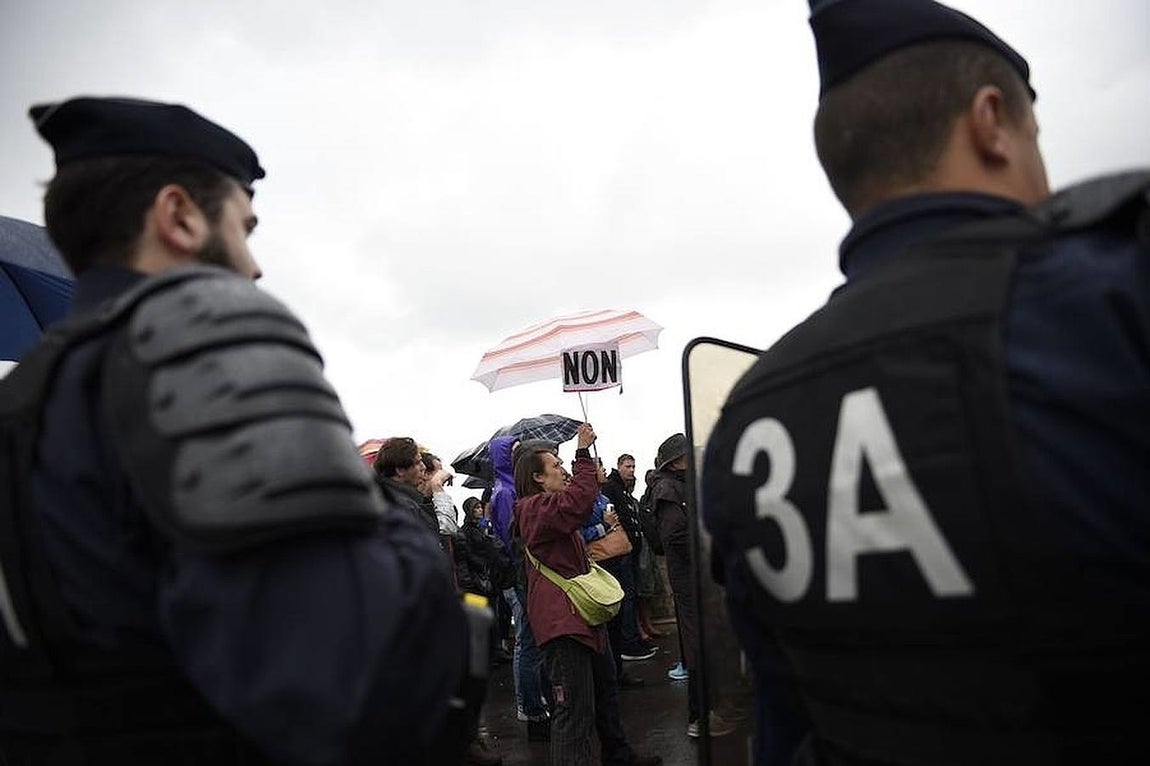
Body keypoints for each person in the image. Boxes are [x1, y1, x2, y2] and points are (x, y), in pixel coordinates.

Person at [702, 1, 1150, 763]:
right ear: (991, 121)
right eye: (1036, 137)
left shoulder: (747, 420)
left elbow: (783, 721)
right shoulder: (1110, 297)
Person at [0, 97, 469, 764]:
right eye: (244, 227)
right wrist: (397, 517)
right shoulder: (205, 333)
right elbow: (356, 677)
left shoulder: (24, 398)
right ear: (179, 215)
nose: (254, 266)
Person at [513, 425, 662, 766]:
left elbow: (580, 507)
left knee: (605, 690)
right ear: (537, 478)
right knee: (573, 711)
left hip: (583, 617)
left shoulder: (549, 509)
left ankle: (617, 754)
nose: (564, 470)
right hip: (563, 626)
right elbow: (579, 502)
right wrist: (581, 451)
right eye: (556, 466)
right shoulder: (533, 509)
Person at [649, 434, 734, 740]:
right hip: (690, 581)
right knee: (698, 644)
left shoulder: (680, 484)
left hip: (698, 579)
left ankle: (711, 710)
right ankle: (702, 715)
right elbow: (676, 537)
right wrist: (709, 549)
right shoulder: (667, 489)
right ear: (676, 461)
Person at [600, 453, 658, 655]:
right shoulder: (611, 488)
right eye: (628, 466)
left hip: (630, 550)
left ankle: (633, 638)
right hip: (620, 552)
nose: (631, 470)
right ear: (619, 466)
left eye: (633, 467)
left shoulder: (621, 489)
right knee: (627, 597)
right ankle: (628, 643)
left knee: (632, 596)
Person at [373, 436, 440, 537]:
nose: (423, 467)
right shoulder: (401, 506)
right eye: (417, 462)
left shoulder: (396, 499)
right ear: (400, 470)